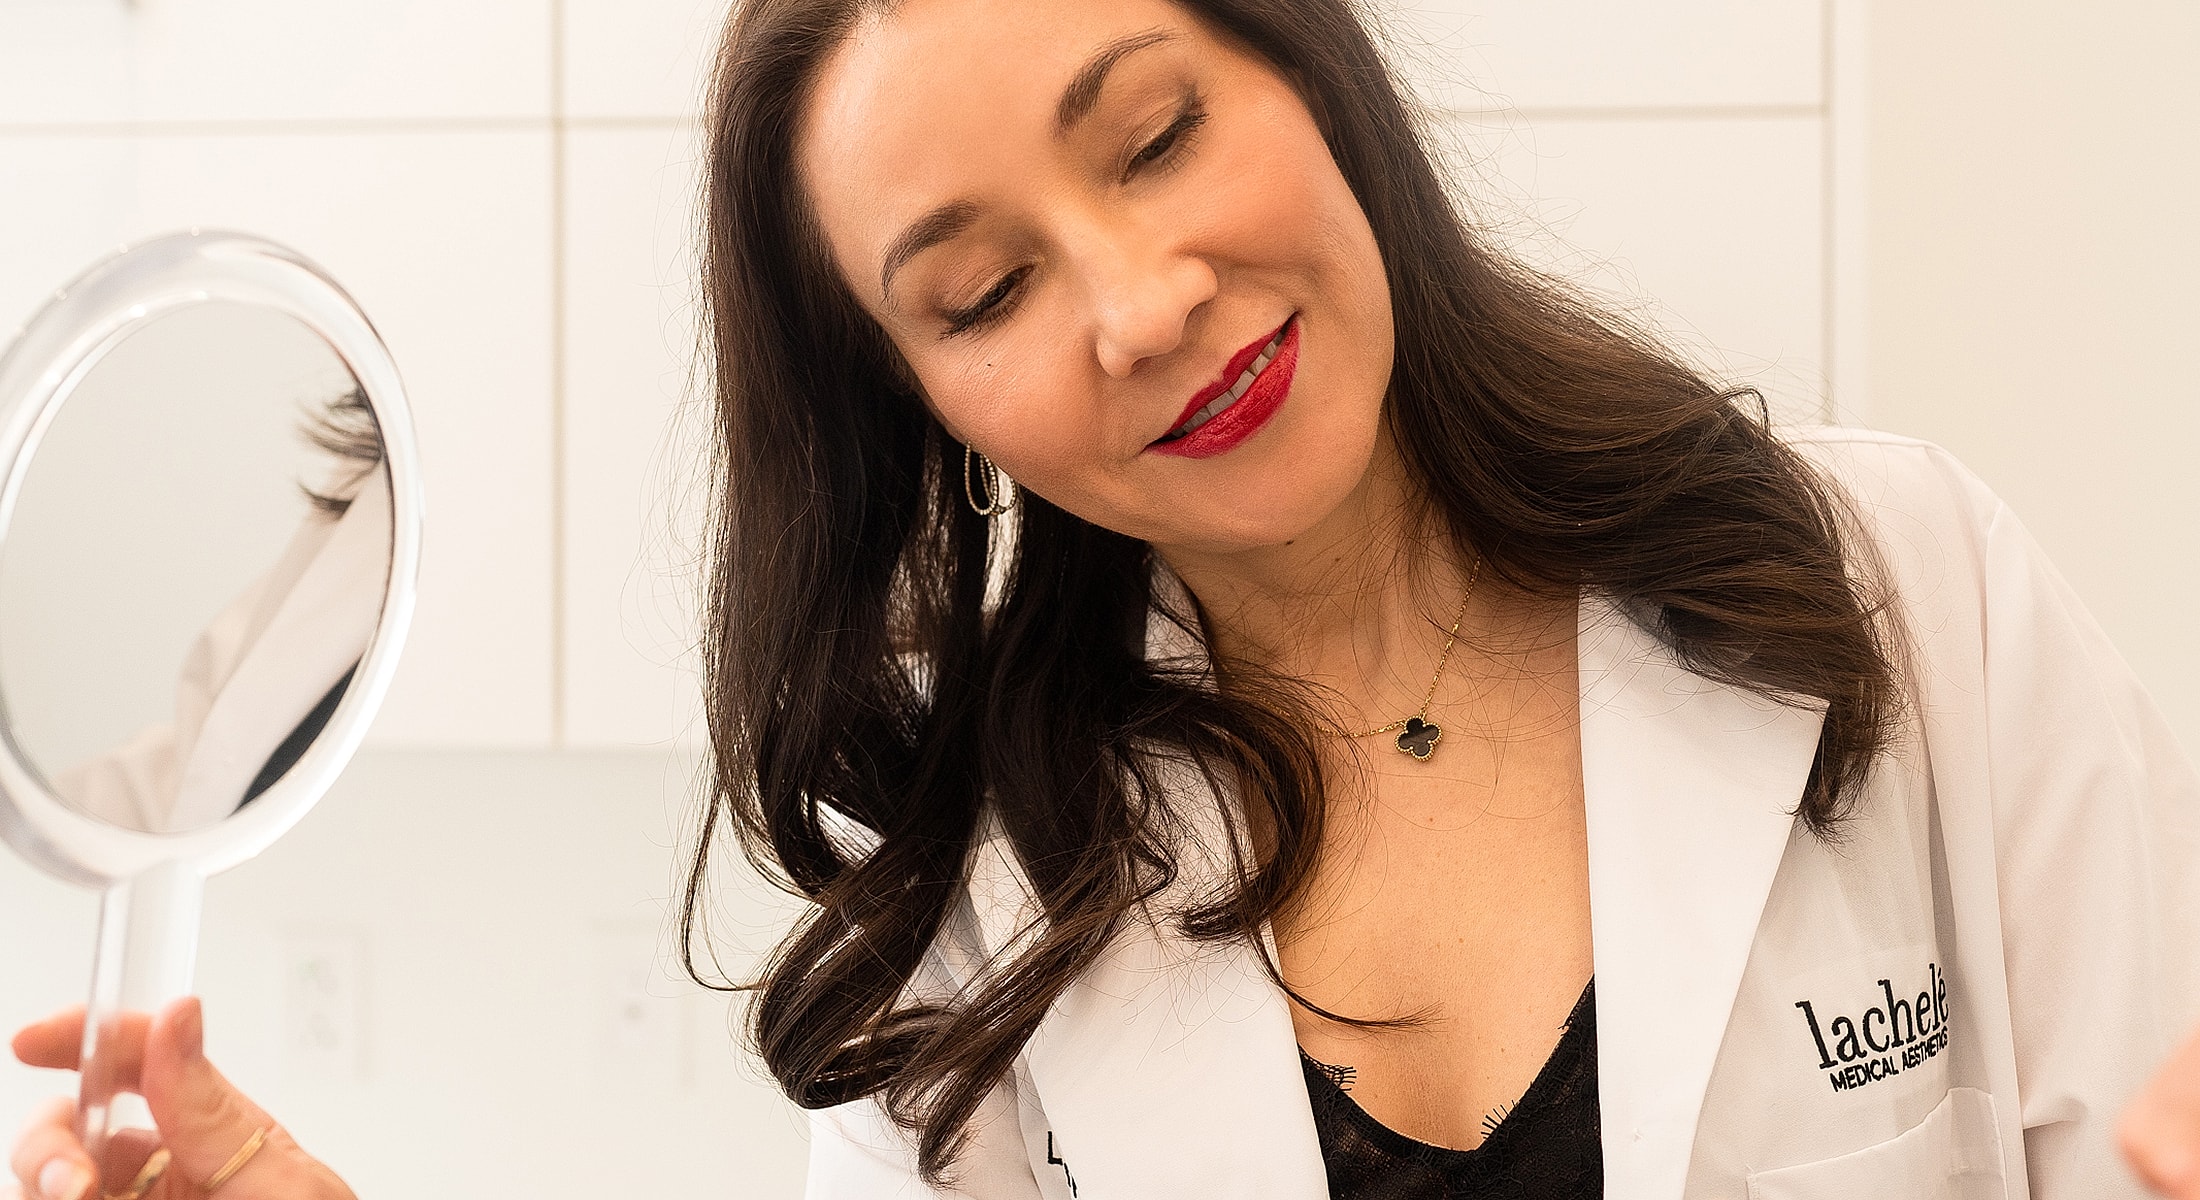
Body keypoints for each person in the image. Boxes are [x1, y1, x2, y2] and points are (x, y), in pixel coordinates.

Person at [12, 0, 2200, 1197]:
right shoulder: (965, 930)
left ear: (1304, 72)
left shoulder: (1896, 595)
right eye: (981, 290)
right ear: (923, 401)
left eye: (1151, 136)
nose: (1143, 305)